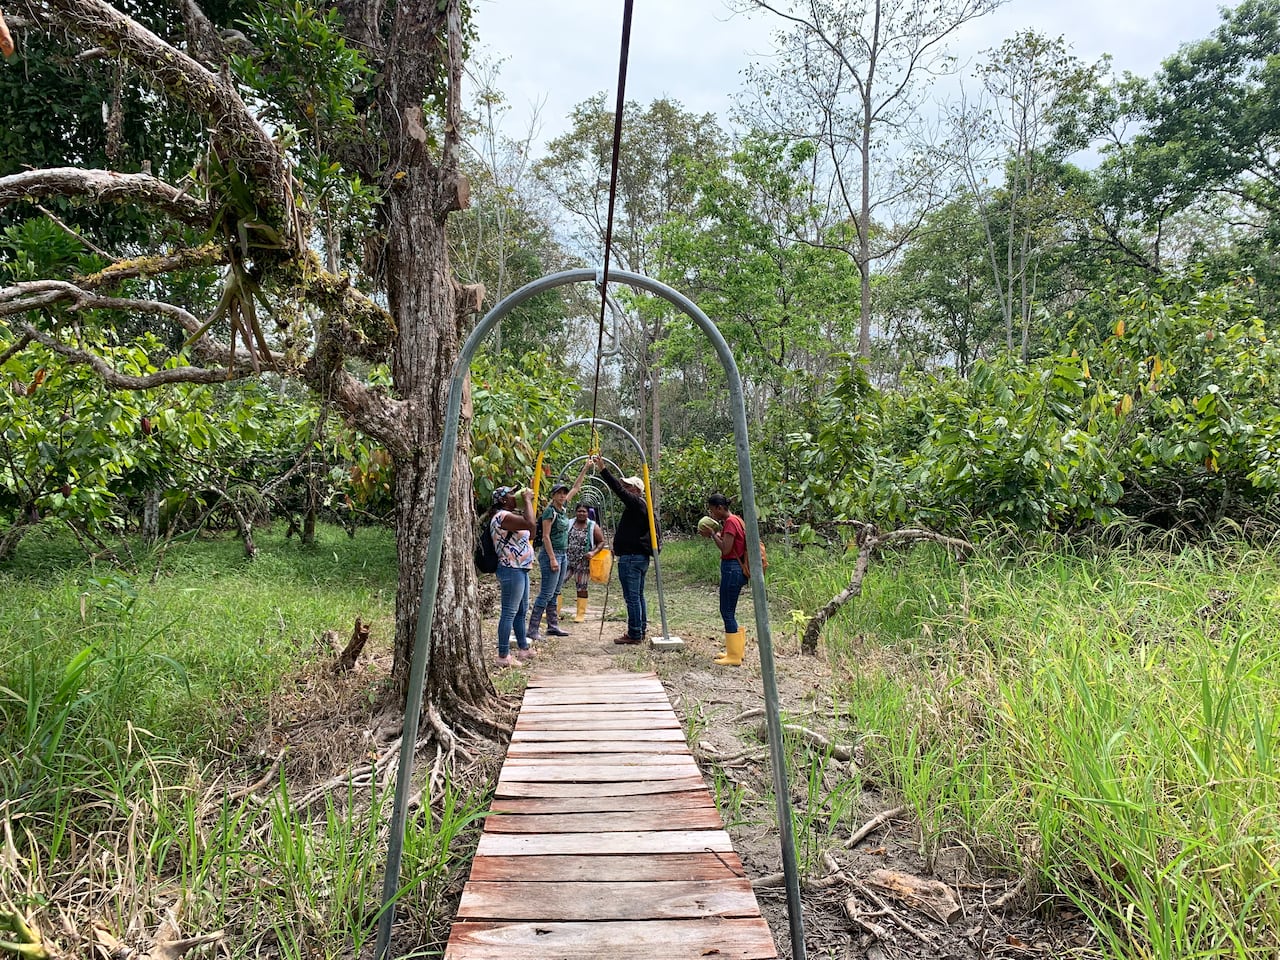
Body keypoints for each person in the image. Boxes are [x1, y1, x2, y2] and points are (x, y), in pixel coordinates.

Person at [591, 456, 655, 644]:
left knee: (632, 597)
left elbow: (617, 490)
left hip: (632, 559)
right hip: (637, 558)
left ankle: (635, 633)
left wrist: (603, 469)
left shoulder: (636, 503)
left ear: (636, 490)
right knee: (638, 595)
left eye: (628, 487)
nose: (625, 489)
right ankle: (639, 629)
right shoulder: (640, 507)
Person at [528, 462, 590, 641]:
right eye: (559, 493)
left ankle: (553, 626)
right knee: (546, 593)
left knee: (556, 592)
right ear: (553, 496)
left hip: (563, 554)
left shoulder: (562, 509)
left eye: (564, 493)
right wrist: (553, 559)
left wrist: (585, 467)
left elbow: (577, 487)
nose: (563, 495)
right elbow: (546, 537)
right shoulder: (550, 512)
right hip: (551, 555)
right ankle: (532, 628)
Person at [486, 484, 536, 667]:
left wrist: (527, 505)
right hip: (510, 568)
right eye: (512, 493)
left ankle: (523, 648)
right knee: (509, 612)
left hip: (521, 568)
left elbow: (533, 530)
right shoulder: (502, 517)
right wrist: (528, 500)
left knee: (521, 611)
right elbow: (530, 523)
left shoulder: (512, 516)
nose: (516, 495)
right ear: (504, 500)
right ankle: (503, 655)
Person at [702, 492, 748, 667]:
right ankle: (736, 650)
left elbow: (726, 549)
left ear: (720, 508)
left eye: (712, 510)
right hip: (736, 568)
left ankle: (734, 656)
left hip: (732, 569)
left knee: (726, 611)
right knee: (730, 610)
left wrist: (713, 534)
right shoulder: (737, 520)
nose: (712, 514)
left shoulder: (730, 522)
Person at [566, 501, 606, 622]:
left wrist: (593, 552)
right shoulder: (569, 523)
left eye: (584, 511)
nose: (581, 513)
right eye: (579, 511)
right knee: (558, 583)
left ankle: (580, 613)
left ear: (588, 513)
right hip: (568, 559)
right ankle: (554, 611)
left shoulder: (592, 526)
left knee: (582, 587)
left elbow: (601, 542)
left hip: (583, 562)